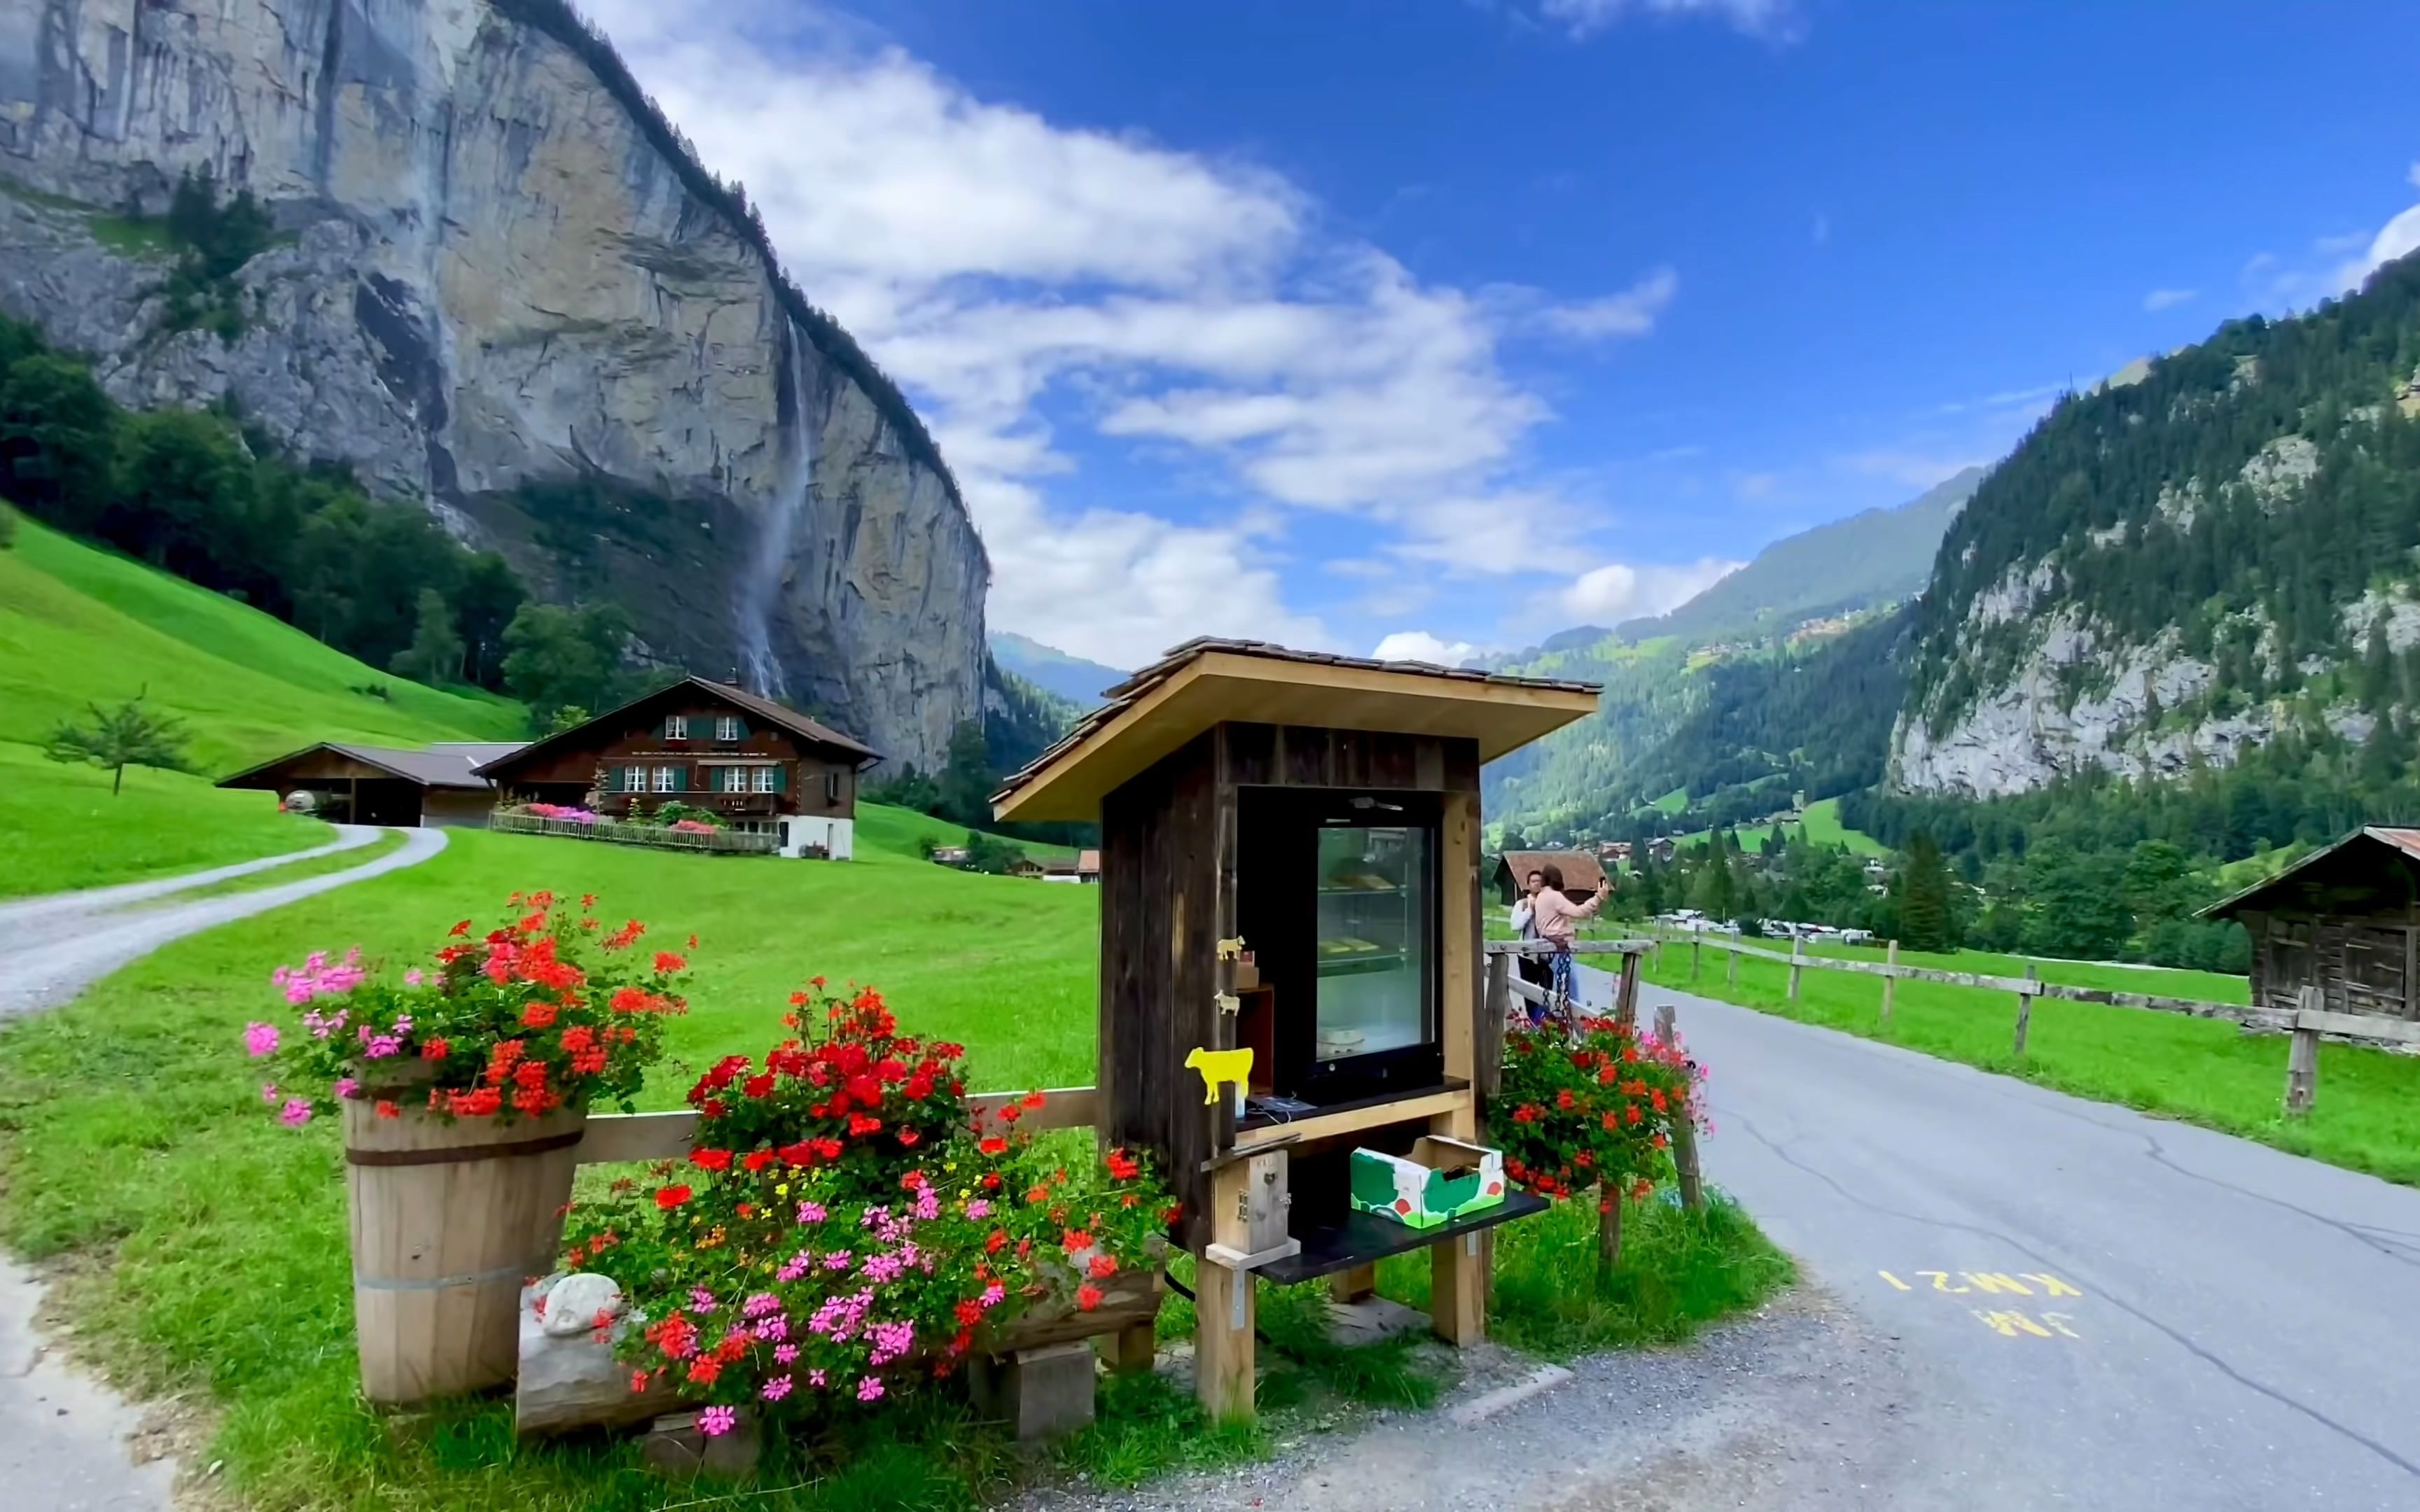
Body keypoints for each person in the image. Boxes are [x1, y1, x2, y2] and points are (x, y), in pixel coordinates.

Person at [1527, 863, 1611, 1014]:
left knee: (1552, 989)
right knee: (1572, 991)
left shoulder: (1541, 897)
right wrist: (1598, 897)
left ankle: (1541, 1023)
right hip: (1559, 947)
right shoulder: (1554, 896)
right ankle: (1577, 1022)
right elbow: (1578, 912)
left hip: (1548, 946)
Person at [1510, 871, 1552, 1009]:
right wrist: (1529, 911)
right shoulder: (1521, 905)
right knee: (1529, 994)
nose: (1537, 884)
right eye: (1533, 881)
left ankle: (1546, 1023)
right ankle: (1533, 1023)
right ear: (1528, 885)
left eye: (1539, 881)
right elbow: (1515, 926)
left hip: (1547, 956)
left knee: (1548, 993)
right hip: (1526, 956)